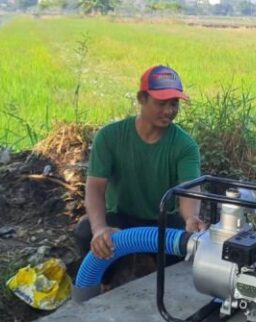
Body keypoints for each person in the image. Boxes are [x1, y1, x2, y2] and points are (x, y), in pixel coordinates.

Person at [75, 65, 205, 263]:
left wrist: (191, 218)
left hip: (162, 221)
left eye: (174, 104)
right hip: (121, 218)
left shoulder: (185, 146)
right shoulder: (110, 137)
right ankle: (107, 283)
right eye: (161, 103)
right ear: (141, 99)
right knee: (86, 233)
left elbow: (190, 191)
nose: (169, 111)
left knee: (188, 244)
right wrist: (99, 228)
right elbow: (95, 188)